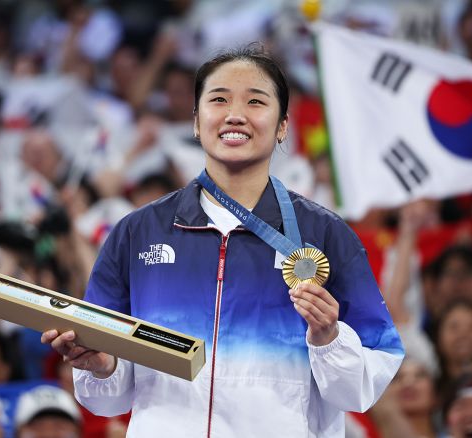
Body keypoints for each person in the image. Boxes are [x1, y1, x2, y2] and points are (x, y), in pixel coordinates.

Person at [42, 46, 403, 436]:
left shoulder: (328, 236)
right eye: (219, 99)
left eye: (255, 101)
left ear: (283, 125)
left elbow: (364, 388)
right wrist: (103, 364)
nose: (235, 114)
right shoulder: (138, 233)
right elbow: (108, 397)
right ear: (197, 122)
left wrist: (328, 339)